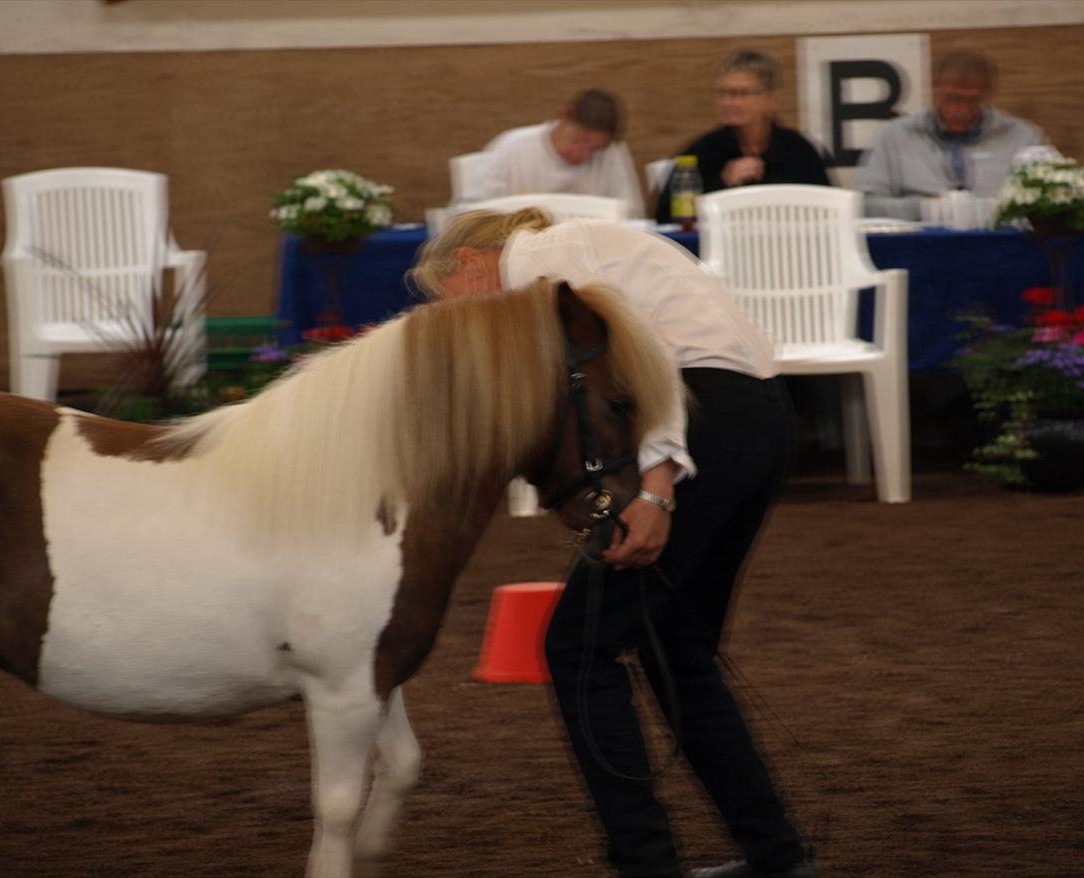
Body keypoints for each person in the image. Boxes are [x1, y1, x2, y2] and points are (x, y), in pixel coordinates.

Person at [410, 208, 815, 878]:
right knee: (677, 651)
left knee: (577, 646)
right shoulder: (580, 249)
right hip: (757, 423)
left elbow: (643, 365)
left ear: (469, 265)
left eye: (446, 298)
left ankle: (646, 862)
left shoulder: (545, 262)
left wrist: (657, 491)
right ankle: (776, 857)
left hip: (705, 420)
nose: (458, 316)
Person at [856, 48, 1047, 219]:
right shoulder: (893, 137)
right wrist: (924, 208)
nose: (960, 109)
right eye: (951, 98)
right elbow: (866, 205)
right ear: (935, 88)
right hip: (919, 242)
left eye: (972, 100)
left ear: (989, 93)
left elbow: (1051, 201)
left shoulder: (1024, 138)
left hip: (1002, 241)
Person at [655, 50, 831, 224]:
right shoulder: (704, 150)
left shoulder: (798, 150)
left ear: (770, 99)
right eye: (724, 93)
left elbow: (829, 210)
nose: (728, 102)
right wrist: (722, 183)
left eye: (741, 93)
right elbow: (665, 218)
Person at [463, 88, 645, 217]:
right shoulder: (511, 147)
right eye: (579, 141)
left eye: (594, 150)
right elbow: (473, 212)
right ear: (563, 117)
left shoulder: (611, 153)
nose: (582, 155)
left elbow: (630, 214)